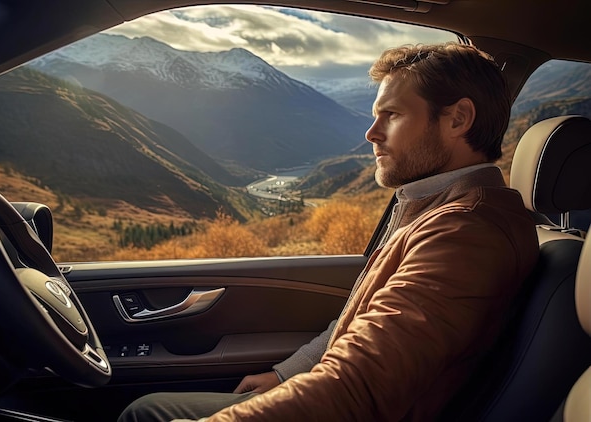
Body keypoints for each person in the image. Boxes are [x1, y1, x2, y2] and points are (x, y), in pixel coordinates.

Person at [118, 42, 540, 422]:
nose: (371, 134)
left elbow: (357, 387)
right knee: (147, 408)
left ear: (458, 119)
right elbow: (363, 321)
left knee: (146, 415)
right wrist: (286, 373)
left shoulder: (466, 233)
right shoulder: (439, 209)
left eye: (391, 115)